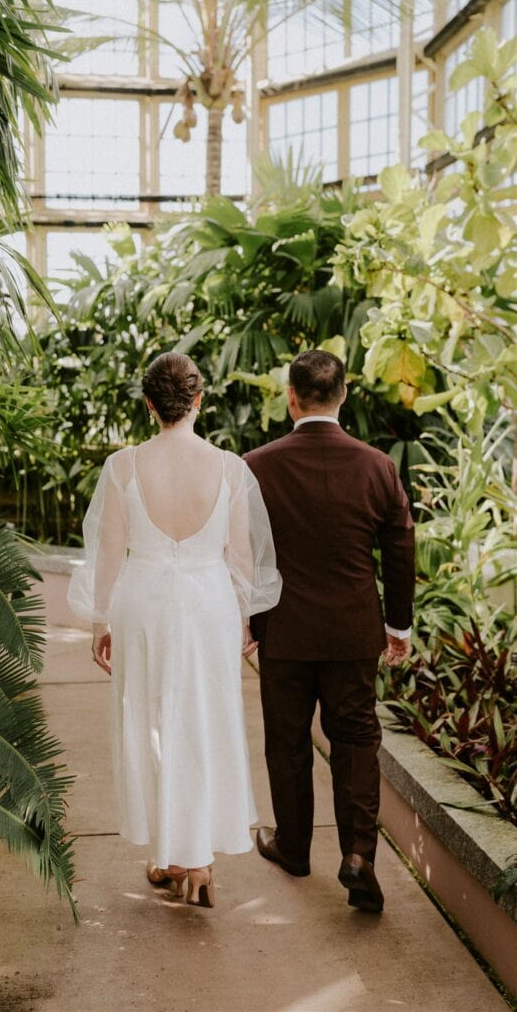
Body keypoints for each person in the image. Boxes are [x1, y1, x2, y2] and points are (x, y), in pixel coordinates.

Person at [68, 352, 281, 908]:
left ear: (148, 406)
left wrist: (99, 621)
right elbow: (241, 559)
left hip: (143, 602)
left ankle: (171, 855)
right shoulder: (231, 468)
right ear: (198, 399)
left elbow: (109, 552)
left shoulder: (123, 467)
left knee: (154, 720)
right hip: (208, 604)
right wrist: (241, 621)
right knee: (204, 720)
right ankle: (199, 862)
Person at [244, 350, 415, 914]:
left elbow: (242, 553)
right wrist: (398, 626)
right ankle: (359, 855)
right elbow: (399, 546)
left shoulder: (257, 466)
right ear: (344, 396)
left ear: (290, 397)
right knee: (357, 740)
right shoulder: (376, 467)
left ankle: (293, 847)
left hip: (284, 633)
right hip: (351, 634)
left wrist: (246, 619)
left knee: (287, 743)